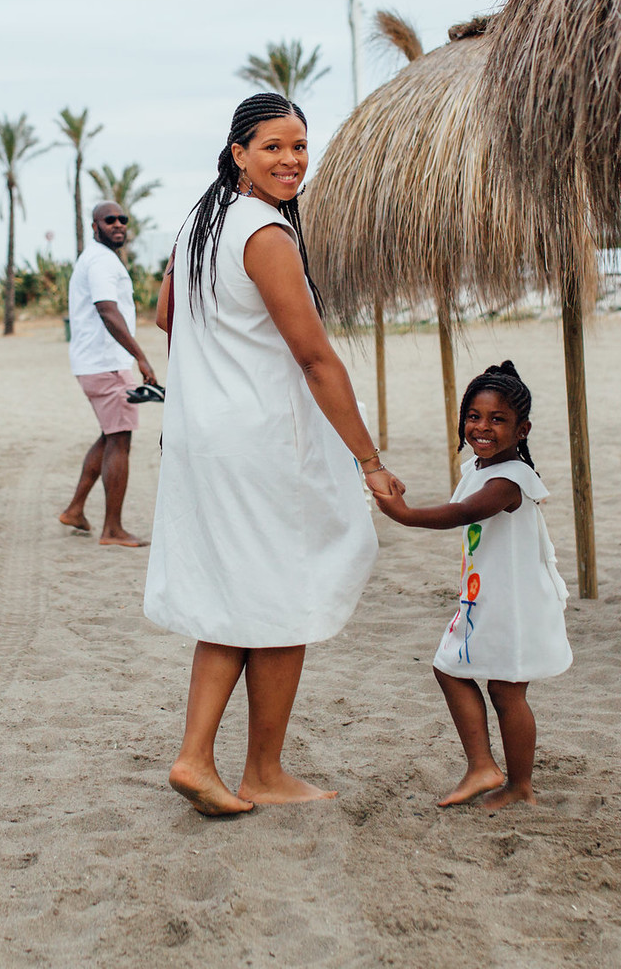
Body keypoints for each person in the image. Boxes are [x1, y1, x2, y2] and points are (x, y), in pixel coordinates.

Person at [145, 92, 403, 816]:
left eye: (299, 146)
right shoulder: (264, 233)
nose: (291, 160)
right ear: (239, 155)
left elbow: (168, 315)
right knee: (286, 594)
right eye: (273, 148)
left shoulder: (201, 220)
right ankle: (261, 770)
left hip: (205, 437)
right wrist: (369, 460)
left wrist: (214, 369)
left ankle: (198, 758)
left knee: (235, 598)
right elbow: (316, 358)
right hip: (258, 441)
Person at [374, 362, 573, 811]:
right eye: (474, 416)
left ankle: (519, 784)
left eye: (498, 420)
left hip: (514, 604)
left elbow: (462, 513)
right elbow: (458, 503)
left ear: (522, 430)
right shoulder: (480, 468)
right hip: (485, 599)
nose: (482, 427)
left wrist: (405, 515)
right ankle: (483, 766)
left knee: (506, 691)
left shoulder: (511, 479)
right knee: (450, 669)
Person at [59, 200, 158, 547]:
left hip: (96, 363)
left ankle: (75, 510)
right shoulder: (101, 262)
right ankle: (112, 529)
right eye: (109, 220)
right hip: (107, 364)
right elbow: (107, 310)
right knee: (120, 439)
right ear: (95, 226)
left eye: (122, 220)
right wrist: (141, 358)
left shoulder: (96, 259)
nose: (118, 225)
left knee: (109, 434)